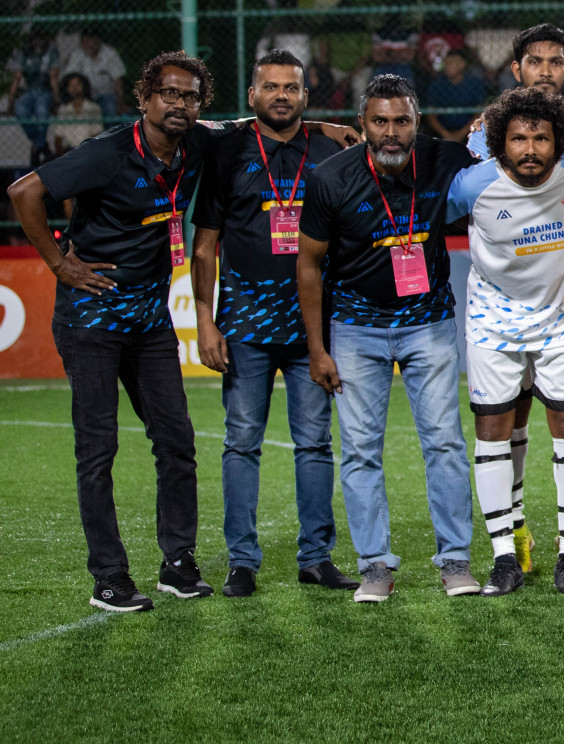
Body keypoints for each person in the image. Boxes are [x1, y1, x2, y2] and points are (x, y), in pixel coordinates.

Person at [7, 51, 221, 611]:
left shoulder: (195, 141)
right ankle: (109, 577)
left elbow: (246, 128)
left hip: (150, 321)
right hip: (92, 319)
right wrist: (59, 265)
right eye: (169, 94)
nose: (179, 104)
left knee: (177, 443)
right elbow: (24, 192)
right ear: (145, 97)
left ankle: (178, 563)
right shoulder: (106, 153)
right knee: (97, 451)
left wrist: (322, 125)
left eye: (190, 96)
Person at [296, 74, 480, 603]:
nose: (392, 132)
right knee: (358, 450)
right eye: (380, 122)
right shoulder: (330, 178)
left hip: (430, 323)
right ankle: (374, 565)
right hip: (355, 329)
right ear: (363, 125)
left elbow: (508, 164)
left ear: (416, 122)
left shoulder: (446, 160)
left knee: (444, 441)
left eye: (402, 121)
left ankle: (454, 561)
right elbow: (308, 265)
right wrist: (318, 347)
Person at [190, 49, 355, 598]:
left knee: (314, 442)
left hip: (314, 322)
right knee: (241, 441)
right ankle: (242, 561)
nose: (281, 95)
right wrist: (206, 323)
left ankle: (316, 558)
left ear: (305, 97)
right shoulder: (227, 150)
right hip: (244, 322)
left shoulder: (331, 147)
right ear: (253, 95)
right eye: (270, 87)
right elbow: (205, 246)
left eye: (291, 87)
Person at [466, 23, 564, 578]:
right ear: (517, 70)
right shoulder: (486, 131)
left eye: (556, 62)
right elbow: (476, 190)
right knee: (511, 416)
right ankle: (512, 533)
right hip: (511, 288)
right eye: (535, 62)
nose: (546, 71)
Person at [449, 87, 564, 597]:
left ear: (559, 140)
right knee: (493, 434)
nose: (531, 148)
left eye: (541, 137)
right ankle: (503, 559)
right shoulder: (472, 186)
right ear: (500, 144)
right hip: (492, 328)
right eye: (519, 138)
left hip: (562, 325)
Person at [8, 30, 59, 157]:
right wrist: (10, 101)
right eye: (35, 39)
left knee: (41, 110)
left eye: (41, 39)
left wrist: (56, 100)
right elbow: (17, 78)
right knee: (20, 109)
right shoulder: (24, 52)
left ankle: (37, 148)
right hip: (29, 91)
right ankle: (41, 145)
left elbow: (54, 78)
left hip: (45, 91)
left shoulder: (52, 52)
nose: (38, 42)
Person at [424, 48, 488, 143]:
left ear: (462, 64)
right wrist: (446, 134)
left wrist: (460, 134)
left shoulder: (474, 84)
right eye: (446, 62)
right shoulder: (437, 84)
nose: (447, 66)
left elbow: (479, 113)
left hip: (469, 130)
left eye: (452, 63)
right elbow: (431, 115)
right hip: (443, 131)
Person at [60, 30, 126, 117]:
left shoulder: (110, 53)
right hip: (84, 96)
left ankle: (110, 130)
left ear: (98, 41)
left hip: (105, 95)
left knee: (109, 107)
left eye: (90, 41)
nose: (87, 45)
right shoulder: (77, 54)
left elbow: (118, 79)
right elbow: (69, 77)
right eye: (84, 42)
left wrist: (120, 101)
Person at [47, 72, 103, 157]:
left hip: (88, 150)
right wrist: (61, 155)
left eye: (78, 84)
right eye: (71, 85)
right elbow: (58, 137)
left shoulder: (93, 108)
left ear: (84, 86)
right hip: (69, 151)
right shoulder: (64, 110)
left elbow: (96, 134)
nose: (75, 88)